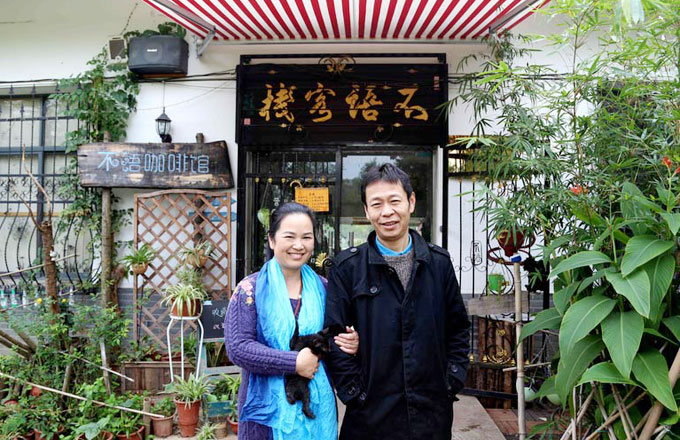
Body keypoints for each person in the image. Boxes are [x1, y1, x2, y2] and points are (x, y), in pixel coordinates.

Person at [324, 163, 471, 440]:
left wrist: (451, 379)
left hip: (431, 413)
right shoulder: (348, 268)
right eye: (376, 204)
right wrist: (355, 393)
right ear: (366, 211)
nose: (387, 212)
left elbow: (458, 328)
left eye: (394, 201)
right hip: (369, 416)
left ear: (411, 202)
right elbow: (334, 338)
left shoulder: (438, 263)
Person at [224, 202, 359, 440]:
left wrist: (351, 342)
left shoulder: (324, 289)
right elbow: (238, 348)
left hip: (318, 409)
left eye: (306, 237)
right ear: (272, 240)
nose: (299, 245)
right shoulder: (250, 290)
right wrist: (294, 362)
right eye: (289, 237)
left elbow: (334, 339)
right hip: (266, 421)